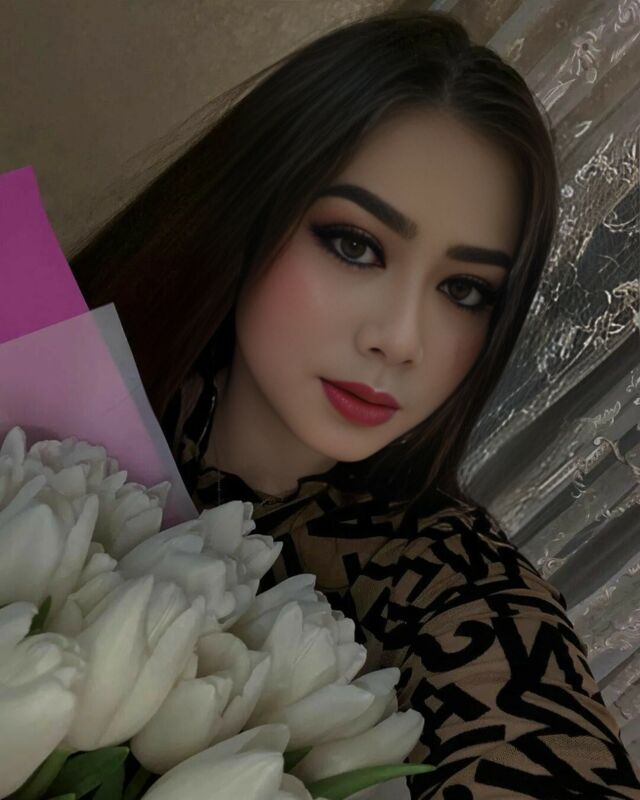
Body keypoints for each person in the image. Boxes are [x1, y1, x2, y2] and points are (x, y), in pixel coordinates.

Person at [68, 9, 640, 799]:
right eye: (355, 244)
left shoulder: (458, 593)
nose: (400, 339)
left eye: (464, 290)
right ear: (254, 205)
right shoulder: (55, 384)